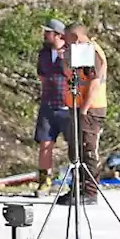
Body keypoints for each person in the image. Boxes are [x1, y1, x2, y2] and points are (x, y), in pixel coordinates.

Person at [60, 23, 107, 206]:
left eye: (66, 38)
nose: (63, 41)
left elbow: (94, 82)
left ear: (76, 37)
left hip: (90, 109)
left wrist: (85, 108)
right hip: (77, 107)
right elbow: (71, 77)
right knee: (75, 149)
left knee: (87, 149)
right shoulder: (79, 52)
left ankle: (90, 191)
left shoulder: (92, 52)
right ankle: (77, 187)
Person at [34, 19, 69, 194]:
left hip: (67, 106)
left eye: (48, 32)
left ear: (58, 35)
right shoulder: (44, 54)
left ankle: (76, 181)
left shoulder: (70, 53)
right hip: (48, 104)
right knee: (45, 144)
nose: (45, 35)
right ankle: (44, 180)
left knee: (74, 145)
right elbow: (41, 75)